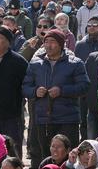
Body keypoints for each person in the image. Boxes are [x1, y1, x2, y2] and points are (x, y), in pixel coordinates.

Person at [23, 28, 86, 161]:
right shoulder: (35, 64)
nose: (48, 45)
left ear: (61, 44)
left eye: (52, 42)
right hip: (43, 119)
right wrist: (35, 91)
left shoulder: (75, 63)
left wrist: (62, 90)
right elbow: (25, 87)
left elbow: (84, 86)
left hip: (68, 119)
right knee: (47, 156)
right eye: (46, 42)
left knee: (68, 158)